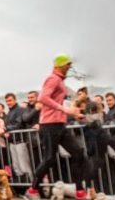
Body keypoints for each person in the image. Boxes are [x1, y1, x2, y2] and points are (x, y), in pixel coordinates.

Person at [26, 54, 87, 199]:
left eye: (70, 64)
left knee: (78, 152)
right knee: (49, 158)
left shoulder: (60, 81)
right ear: (58, 66)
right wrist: (65, 110)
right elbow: (42, 98)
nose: (70, 66)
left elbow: (60, 103)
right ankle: (33, 189)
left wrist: (73, 113)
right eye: (67, 64)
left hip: (60, 124)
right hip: (49, 125)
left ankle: (79, 190)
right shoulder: (53, 79)